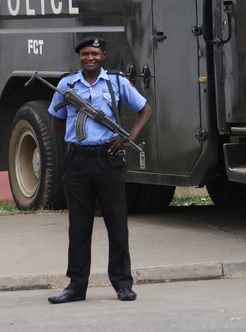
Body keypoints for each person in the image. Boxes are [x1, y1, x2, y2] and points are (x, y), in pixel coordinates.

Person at [47, 36, 152, 305]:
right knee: (78, 227)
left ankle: (122, 284)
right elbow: (57, 123)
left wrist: (127, 137)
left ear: (103, 55)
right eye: (84, 54)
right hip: (78, 162)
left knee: (117, 225)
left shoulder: (115, 82)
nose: (89, 58)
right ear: (79, 56)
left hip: (108, 159)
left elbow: (145, 110)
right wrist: (77, 135)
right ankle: (76, 286)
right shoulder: (67, 84)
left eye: (94, 53)